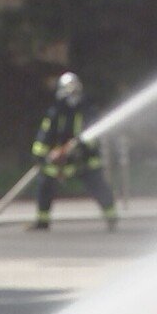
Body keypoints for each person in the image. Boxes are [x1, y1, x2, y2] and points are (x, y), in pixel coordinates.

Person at [27, 71, 118, 231]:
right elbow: (45, 135)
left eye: (74, 92)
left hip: (85, 159)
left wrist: (78, 147)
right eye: (68, 92)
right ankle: (43, 220)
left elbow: (92, 135)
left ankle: (111, 217)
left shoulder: (88, 110)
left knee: (98, 185)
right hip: (59, 160)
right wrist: (43, 156)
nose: (71, 96)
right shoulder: (55, 112)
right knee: (45, 184)